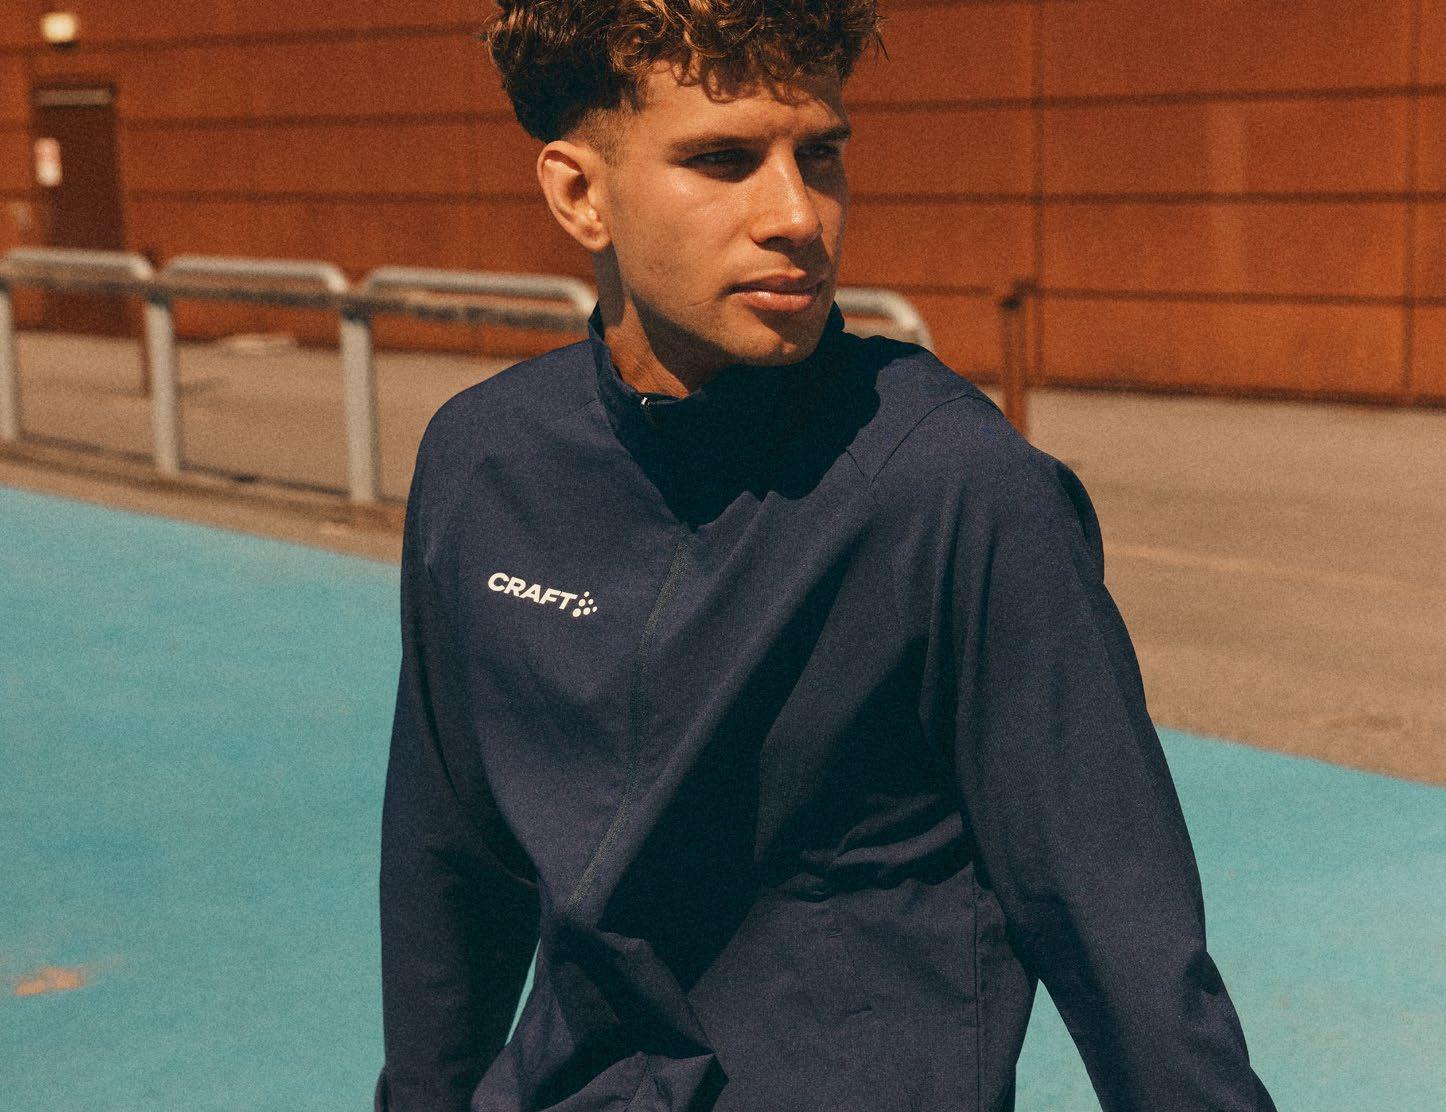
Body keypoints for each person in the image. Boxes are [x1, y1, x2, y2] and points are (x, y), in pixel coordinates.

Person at [376, 2, 1277, 1109]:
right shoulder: (485, 459)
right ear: (580, 195)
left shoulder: (954, 486)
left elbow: (1119, 935)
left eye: (820, 155)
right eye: (723, 160)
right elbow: (450, 867)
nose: (797, 215)